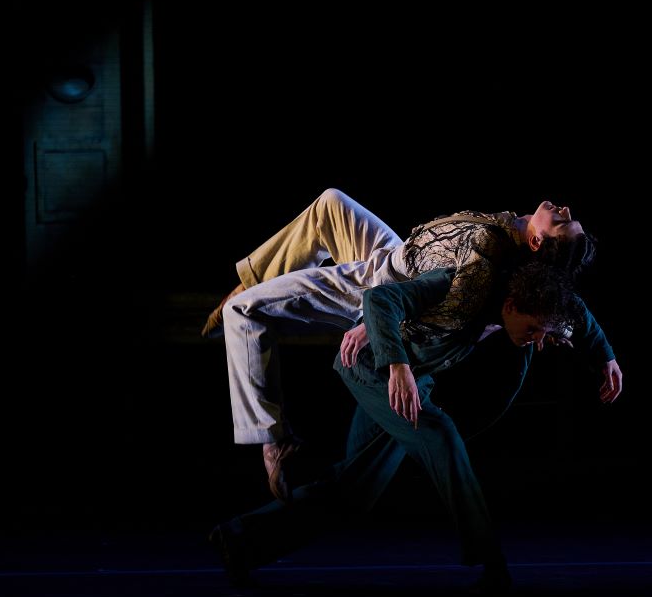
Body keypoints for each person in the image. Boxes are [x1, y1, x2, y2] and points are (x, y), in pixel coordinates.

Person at [209, 260, 618, 595]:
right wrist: (397, 365)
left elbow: (575, 308)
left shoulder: (530, 294)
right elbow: (380, 297)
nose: (534, 340)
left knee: (356, 489)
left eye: (542, 334)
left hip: (413, 378)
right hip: (375, 370)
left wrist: (606, 358)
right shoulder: (463, 283)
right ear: (511, 305)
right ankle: (492, 563)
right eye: (531, 330)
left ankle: (240, 540)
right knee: (440, 435)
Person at [204, 188, 622, 501]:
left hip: (375, 285)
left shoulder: (488, 263)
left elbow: (446, 315)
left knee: (242, 313)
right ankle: (253, 276)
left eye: (564, 222)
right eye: (569, 218)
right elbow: (572, 302)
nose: (565, 210)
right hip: (395, 252)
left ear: (537, 242)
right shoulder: (521, 239)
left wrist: (377, 322)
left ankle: (271, 438)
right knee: (330, 204)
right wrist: (605, 355)